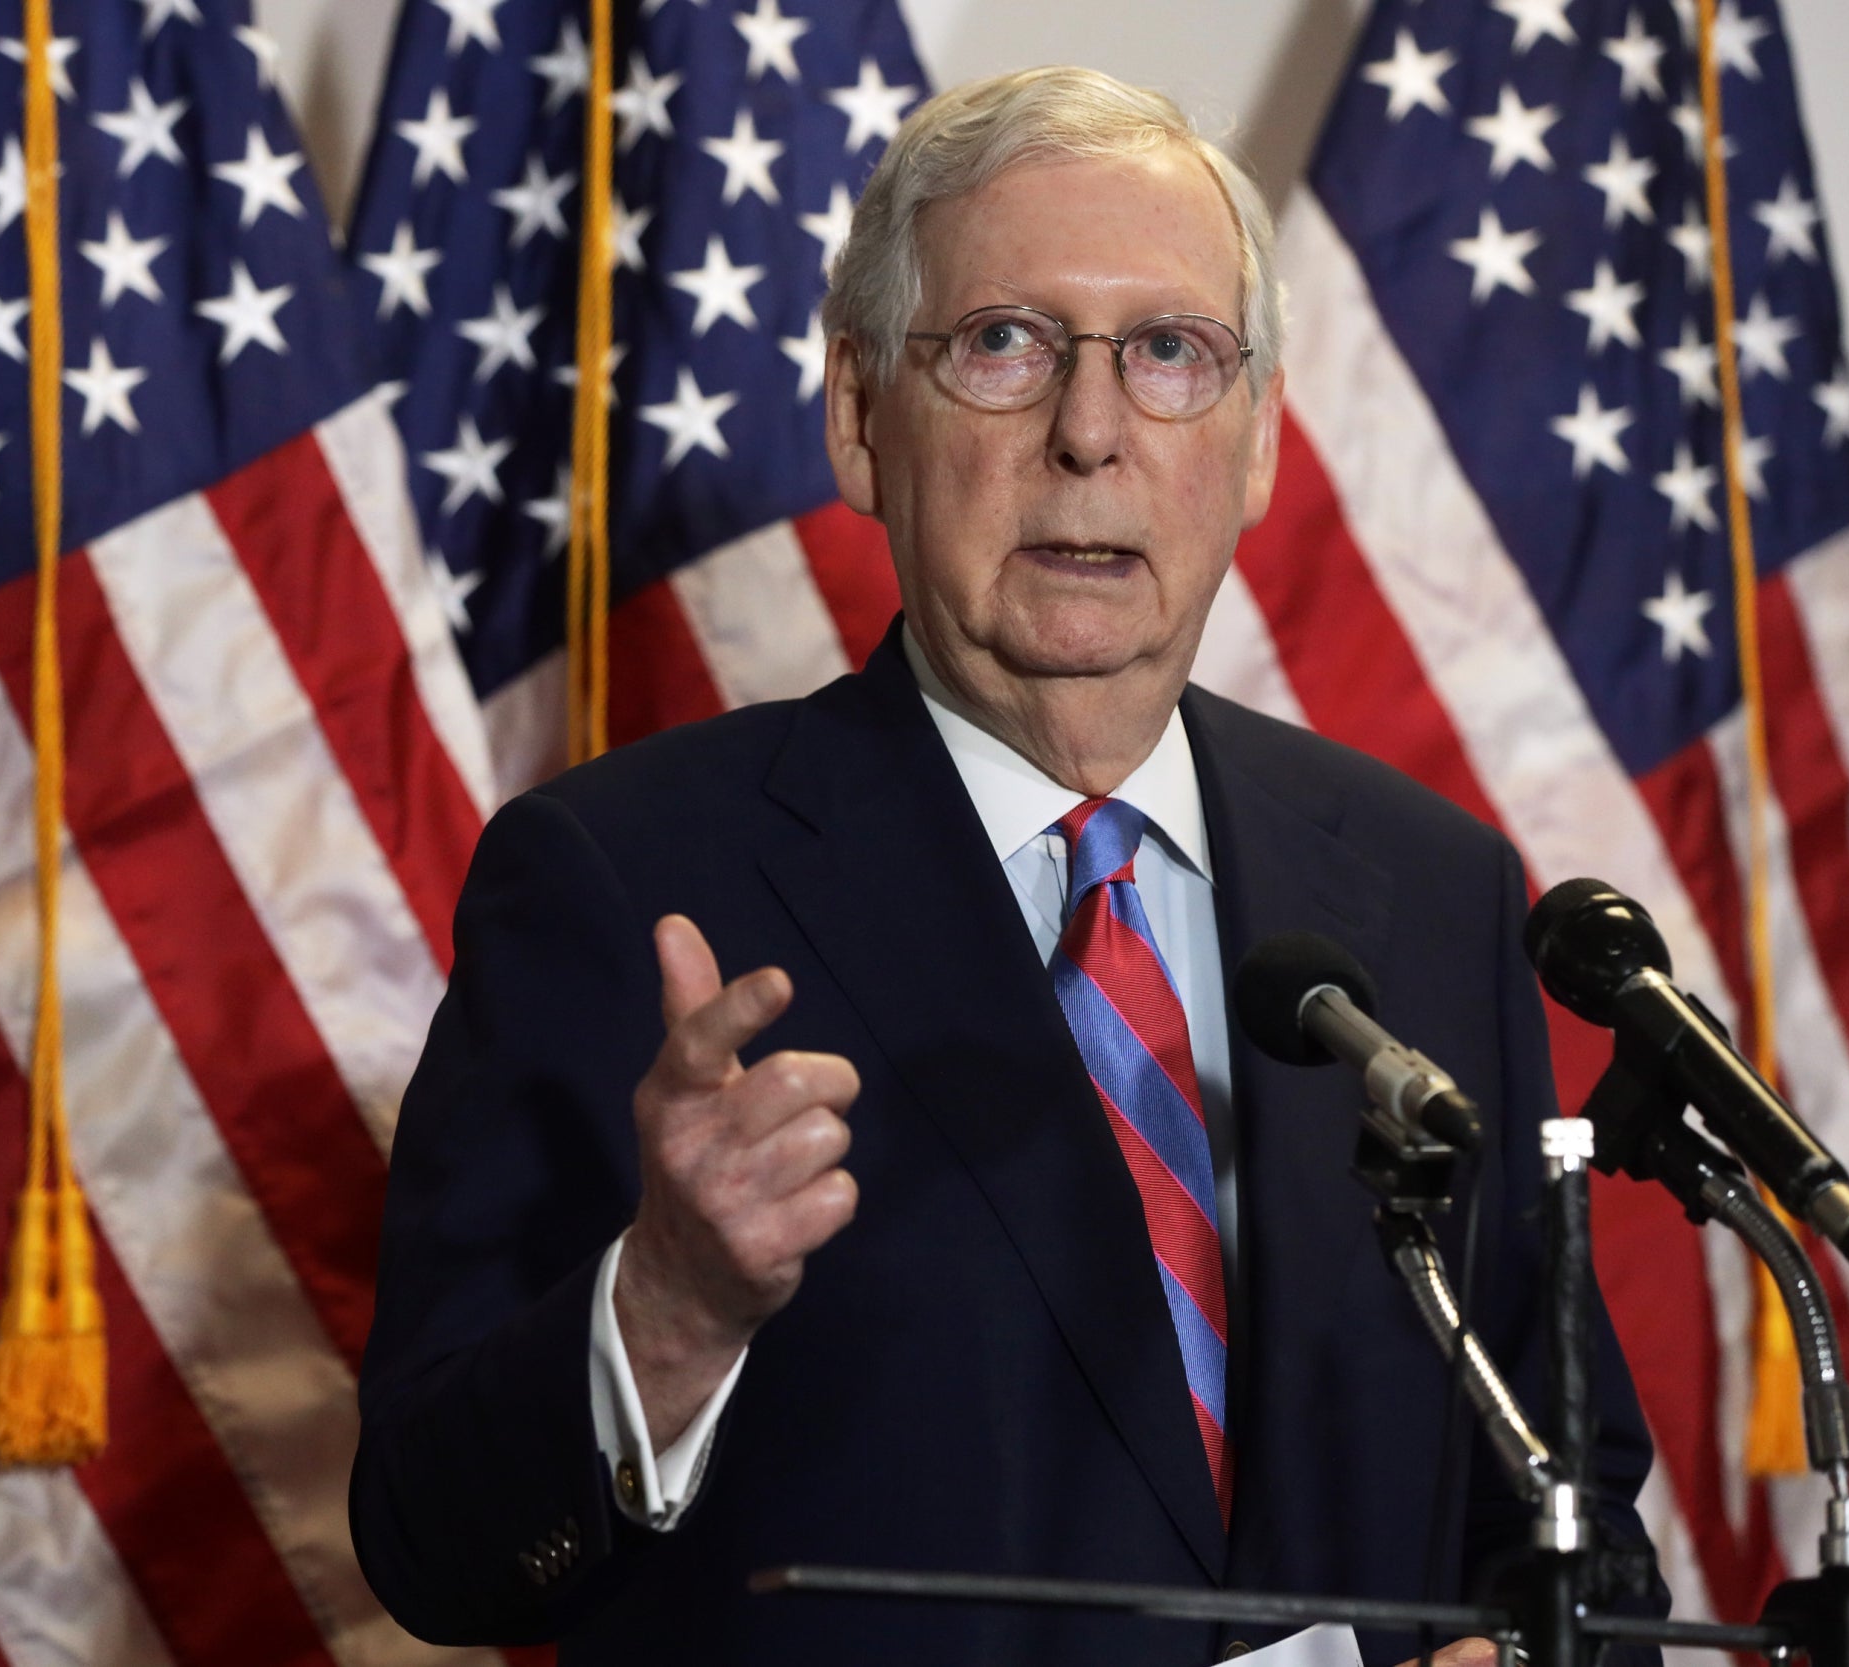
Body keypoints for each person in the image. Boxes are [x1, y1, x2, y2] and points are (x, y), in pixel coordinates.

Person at [350, 65, 1664, 1664]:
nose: (1089, 435)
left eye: (1172, 353)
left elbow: (1571, 1496)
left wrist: (1532, 1652)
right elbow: (434, 1544)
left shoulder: (1429, 889)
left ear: (1255, 448)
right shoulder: (624, 884)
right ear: (858, 418)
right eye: (1002, 346)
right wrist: (668, 1309)